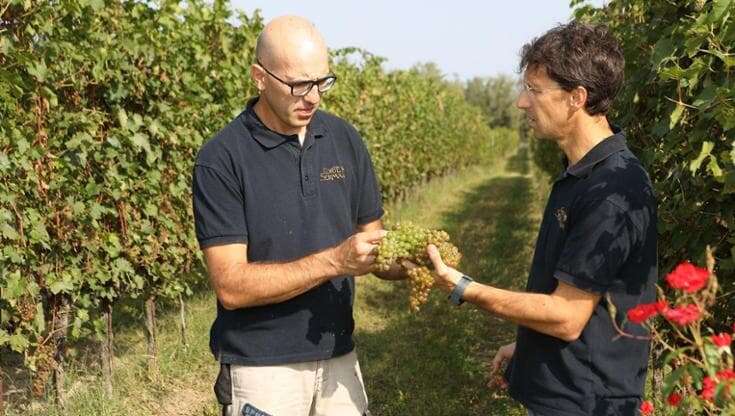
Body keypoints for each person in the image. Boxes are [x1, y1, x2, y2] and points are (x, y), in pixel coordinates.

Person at [426, 22, 657, 416]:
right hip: (566, 391)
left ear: (576, 98)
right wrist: (529, 348)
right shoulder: (579, 175)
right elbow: (583, 299)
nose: (521, 102)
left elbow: (567, 318)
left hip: (587, 404)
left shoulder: (613, 192)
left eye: (533, 90)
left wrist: (464, 287)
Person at [192, 15, 404, 416]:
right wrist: (334, 261)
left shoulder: (344, 140)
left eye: (322, 82)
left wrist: (411, 262)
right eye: (299, 85)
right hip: (262, 367)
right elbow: (231, 286)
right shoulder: (221, 159)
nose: (313, 97)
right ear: (259, 76)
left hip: (338, 351)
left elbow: (375, 245)